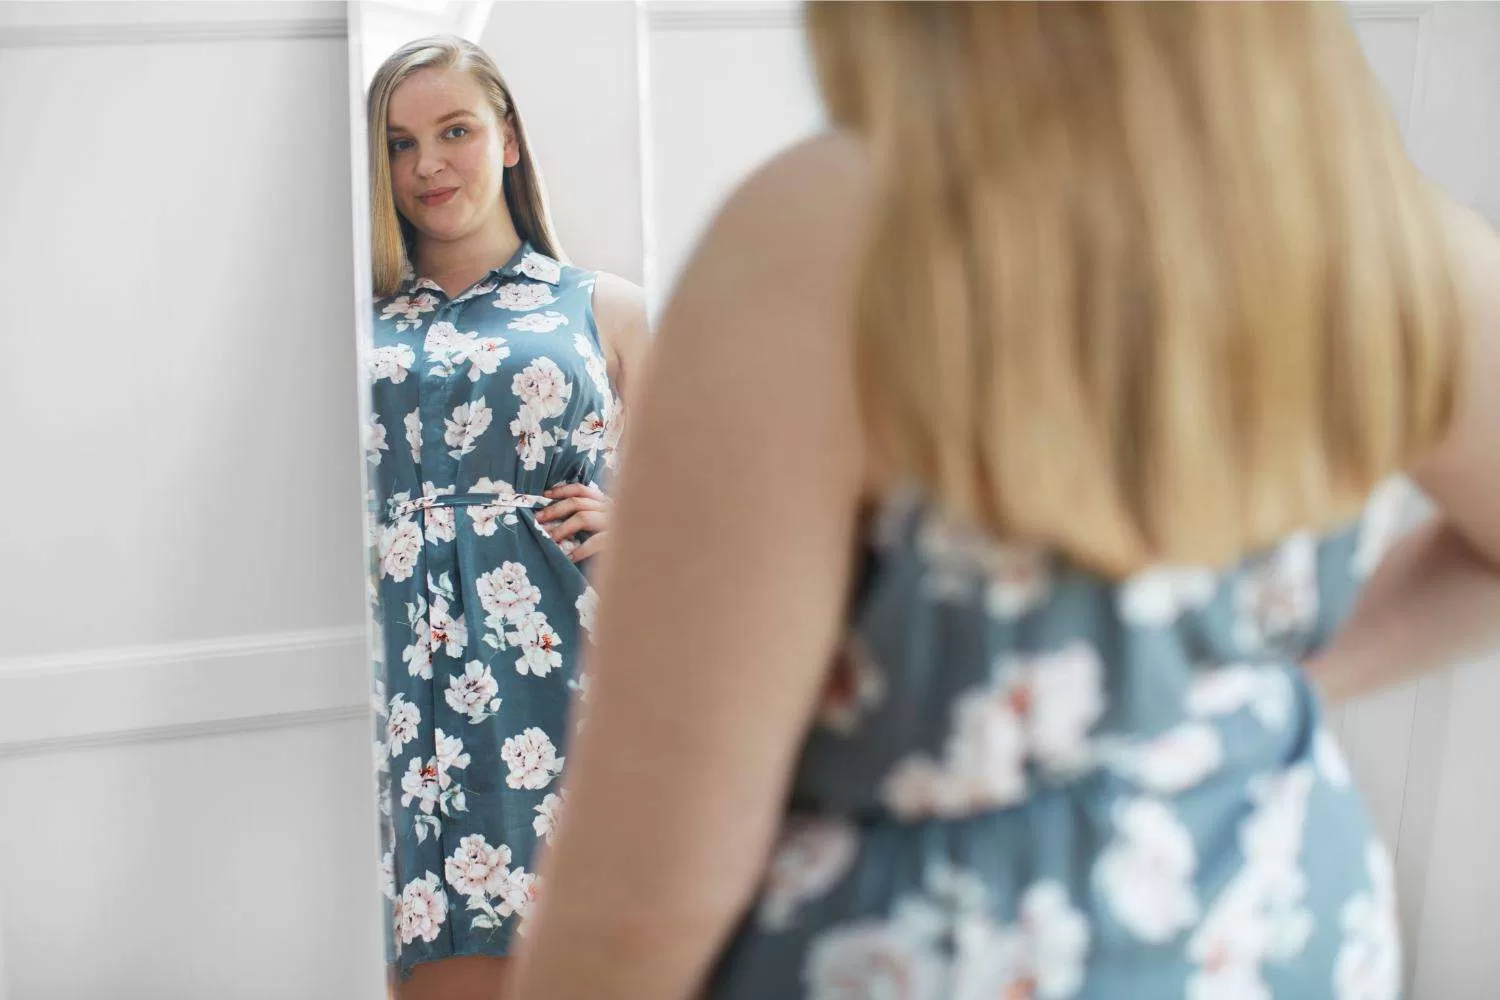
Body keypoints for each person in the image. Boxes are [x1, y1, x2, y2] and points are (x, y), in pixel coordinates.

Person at [507, 3, 1500, 998]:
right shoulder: (1384, 228)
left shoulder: (831, 239)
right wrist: (1236, 694)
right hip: (1286, 940)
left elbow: (643, 898)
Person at [362, 34, 648, 999]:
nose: (428, 165)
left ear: (510, 139)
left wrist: (639, 531)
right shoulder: (353, 325)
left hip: (566, 671)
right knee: (435, 960)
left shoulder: (604, 308)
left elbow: (716, 510)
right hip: (404, 682)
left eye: (454, 131)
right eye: (399, 145)